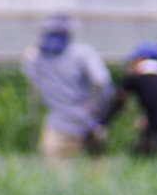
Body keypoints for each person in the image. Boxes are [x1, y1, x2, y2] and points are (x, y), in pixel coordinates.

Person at [21, 15, 113, 158]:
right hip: (87, 124)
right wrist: (97, 107)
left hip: (57, 127)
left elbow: (31, 73)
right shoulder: (81, 53)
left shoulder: (36, 58)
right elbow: (102, 81)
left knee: (55, 174)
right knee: (91, 173)